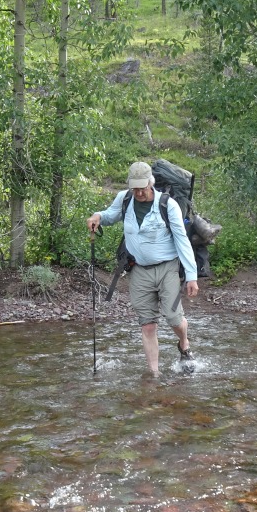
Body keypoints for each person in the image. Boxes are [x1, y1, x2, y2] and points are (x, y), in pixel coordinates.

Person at [87, 161, 199, 376]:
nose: (138, 192)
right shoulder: (125, 199)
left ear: (151, 183)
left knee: (174, 318)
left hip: (167, 268)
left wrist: (191, 276)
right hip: (138, 270)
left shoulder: (168, 205)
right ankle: (154, 375)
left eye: (142, 187)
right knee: (147, 325)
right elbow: (110, 215)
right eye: (134, 188)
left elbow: (182, 240)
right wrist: (97, 216)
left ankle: (184, 343)